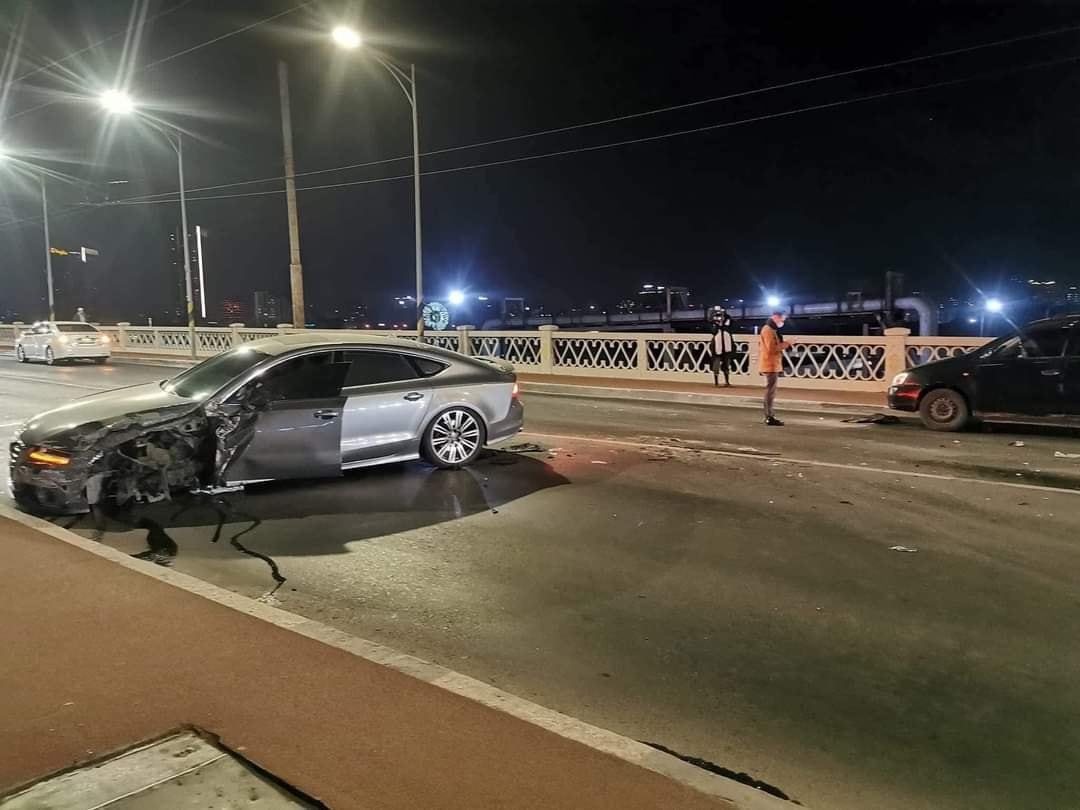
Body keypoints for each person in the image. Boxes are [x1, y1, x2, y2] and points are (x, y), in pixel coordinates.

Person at [759, 310, 793, 426]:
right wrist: (787, 343)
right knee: (770, 391)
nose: (783, 321)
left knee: (770, 390)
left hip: (772, 364)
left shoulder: (771, 329)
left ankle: (769, 415)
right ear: (776, 317)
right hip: (770, 365)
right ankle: (769, 416)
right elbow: (772, 349)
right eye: (782, 319)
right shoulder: (768, 330)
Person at [709, 310, 735, 387]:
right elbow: (713, 332)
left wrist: (723, 324)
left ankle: (727, 381)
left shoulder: (729, 322)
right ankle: (716, 382)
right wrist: (717, 324)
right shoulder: (714, 323)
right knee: (716, 364)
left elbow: (731, 329)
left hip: (727, 346)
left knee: (726, 364)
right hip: (717, 346)